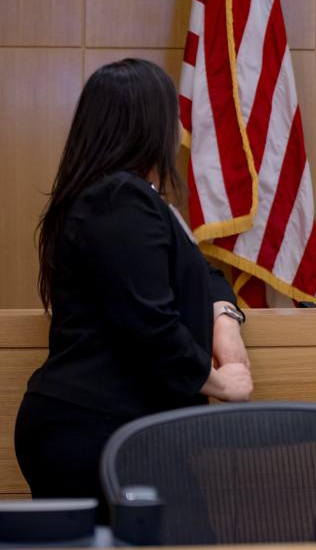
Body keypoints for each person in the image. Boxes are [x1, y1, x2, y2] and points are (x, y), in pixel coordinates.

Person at [15, 58, 253, 520]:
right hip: (93, 428)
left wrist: (224, 315)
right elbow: (148, 321)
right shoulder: (116, 200)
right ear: (147, 124)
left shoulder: (130, 198)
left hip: (124, 429)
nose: (178, 127)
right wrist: (217, 380)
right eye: (171, 115)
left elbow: (202, 272)